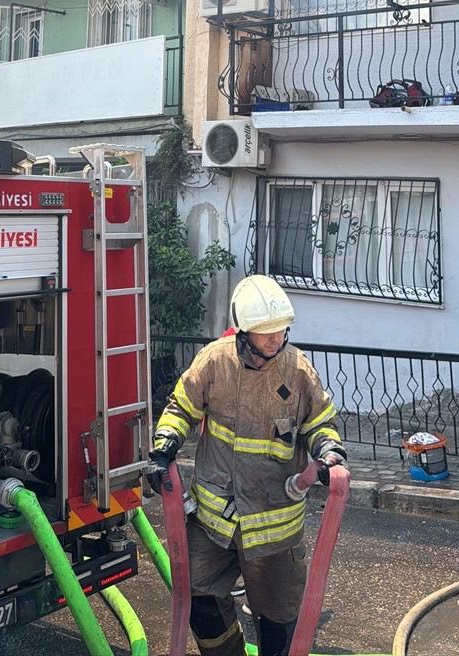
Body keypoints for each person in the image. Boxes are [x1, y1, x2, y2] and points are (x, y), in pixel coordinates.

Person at [147, 275, 346, 656]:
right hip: (214, 519)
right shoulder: (214, 362)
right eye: (265, 331)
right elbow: (181, 408)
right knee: (197, 592)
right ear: (243, 331)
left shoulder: (297, 370)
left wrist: (328, 450)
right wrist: (165, 445)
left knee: (278, 617)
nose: (275, 338)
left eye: (281, 329)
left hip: (273, 525)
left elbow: (320, 422)